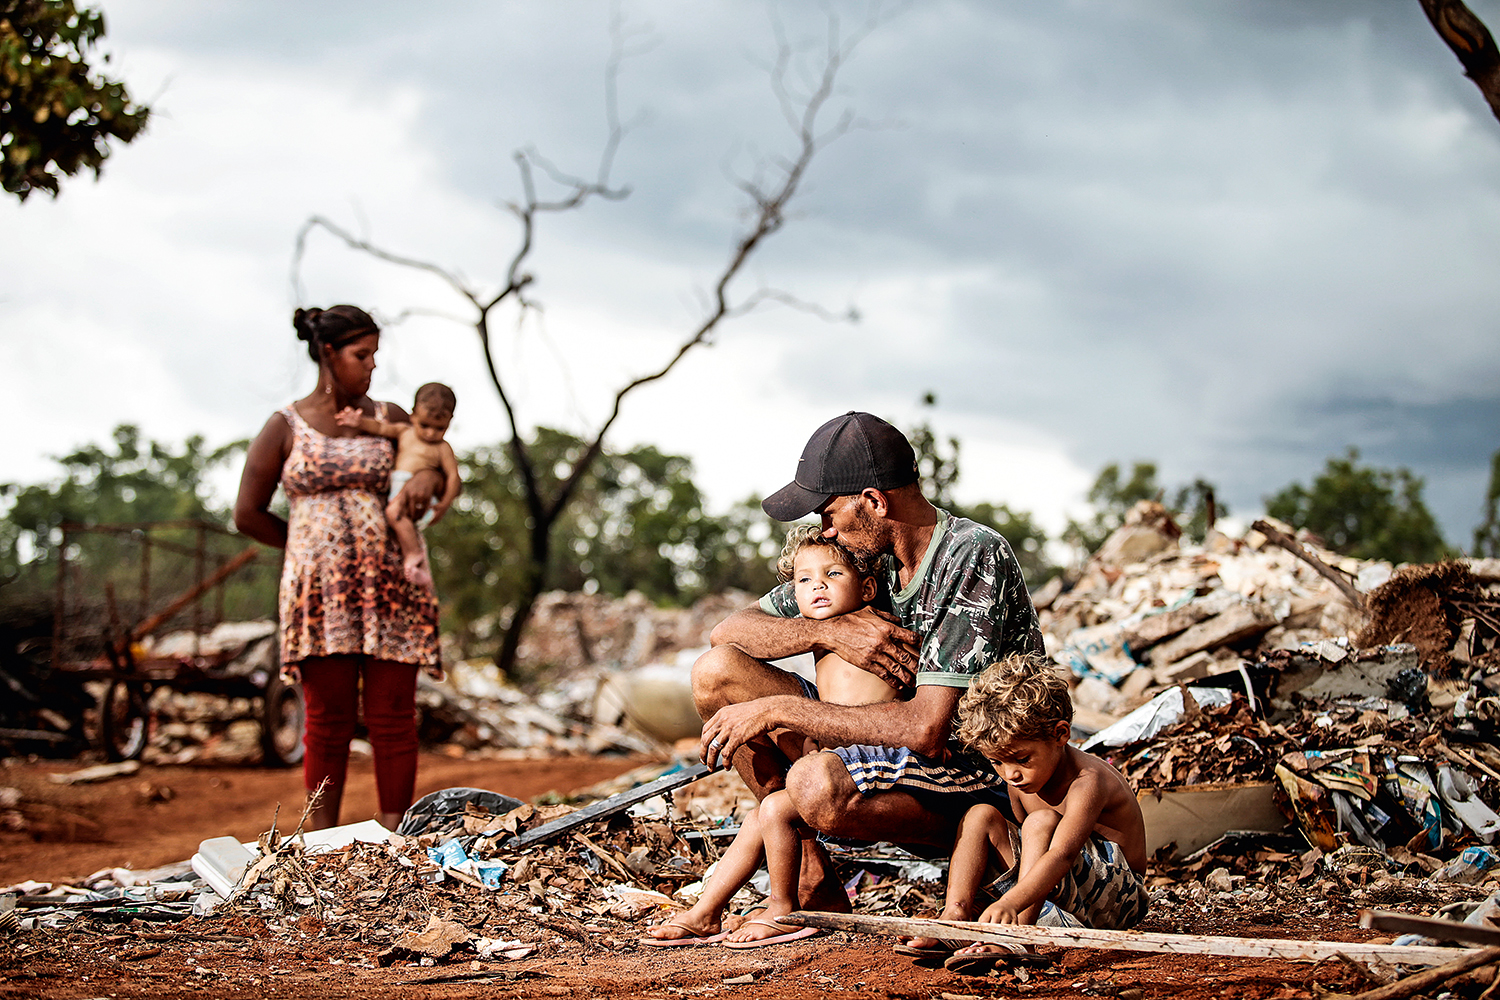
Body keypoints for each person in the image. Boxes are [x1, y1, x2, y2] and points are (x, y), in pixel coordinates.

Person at [694, 410, 1045, 914]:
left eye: (828, 514)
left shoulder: (970, 555)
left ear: (874, 502)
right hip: (878, 749)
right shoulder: (865, 555)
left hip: (974, 774)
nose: (826, 532)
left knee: (814, 784)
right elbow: (727, 632)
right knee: (715, 671)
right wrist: (830, 630)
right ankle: (814, 880)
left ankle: (986, 870)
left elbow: (928, 729)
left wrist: (778, 711)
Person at [234, 305, 441, 831]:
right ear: (328, 355)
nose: (372, 366)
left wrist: (425, 481)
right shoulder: (285, 427)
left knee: (392, 718)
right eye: (361, 354)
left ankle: (396, 840)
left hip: (391, 588)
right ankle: (321, 845)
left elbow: (434, 460)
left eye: (375, 355)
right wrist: (305, 549)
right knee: (327, 722)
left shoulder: (391, 417)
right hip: (319, 595)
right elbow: (247, 512)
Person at [643, 526, 896, 948]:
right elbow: (727, 632)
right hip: (833, 742)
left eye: (833, 574)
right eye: (804, 580)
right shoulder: (824, 619)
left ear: (868, 587)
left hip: (870, 755)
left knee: (774, 809)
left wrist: (821, 744)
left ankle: (784, 905)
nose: (818, 585)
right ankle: (707, 911)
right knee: (762, 815)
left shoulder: (875, 627)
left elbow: (874, 713)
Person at [905, 653, 1148, 974]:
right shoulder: (1018, 780)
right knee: (981, 815)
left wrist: (1011, 903)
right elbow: (1030, 851)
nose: (1010, 774)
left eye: (1021, 758)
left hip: (1118, 902)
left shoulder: (1089, 781)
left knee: (1040, 821)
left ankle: (1019, 936)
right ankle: (956, 919)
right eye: (997, 762)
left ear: (1061, 734)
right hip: (1064, 890)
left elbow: (1061, 853)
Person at [336, 381, 461, 588]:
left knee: (394, 513)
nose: (430, 433)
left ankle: (414, 555)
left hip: (416, 496)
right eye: (425, 425)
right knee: (396, 517)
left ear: (450, 421)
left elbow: (453, 477)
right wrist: (358, 421)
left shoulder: (442, 448)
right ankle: (412, 560)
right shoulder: (405, 432)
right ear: (413, 415)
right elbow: (380, 427)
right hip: (398, 486)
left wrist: (444, 503)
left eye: (440, 428)